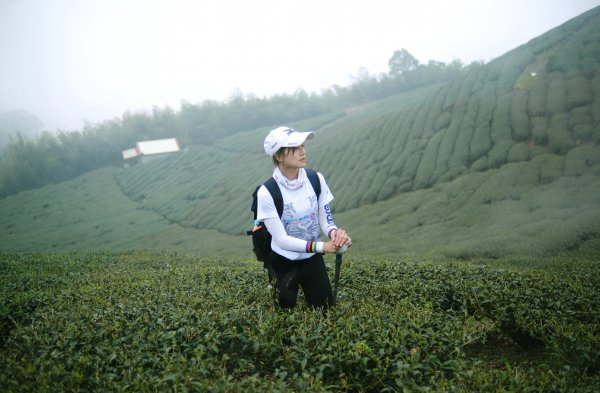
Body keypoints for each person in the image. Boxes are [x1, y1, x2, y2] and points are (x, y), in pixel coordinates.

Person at [256, 126, 352, 309]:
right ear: (279, 156)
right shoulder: (267, 192)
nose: (303, 151)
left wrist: (335, 234)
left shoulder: (316, 179)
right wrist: (324, 247)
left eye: (302, 146)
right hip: (282, 262)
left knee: (324, 310)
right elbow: (282, 240)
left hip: (312, 259)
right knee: (283, 319)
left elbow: (325, 220)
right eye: (295, 148)